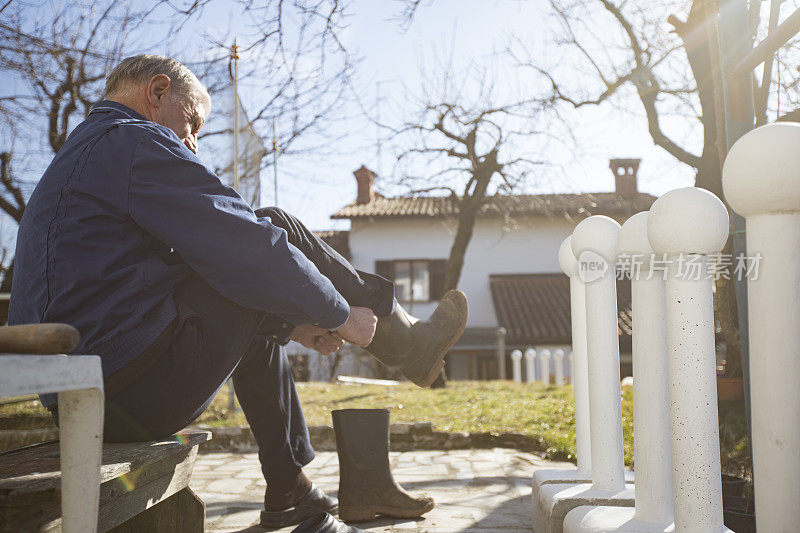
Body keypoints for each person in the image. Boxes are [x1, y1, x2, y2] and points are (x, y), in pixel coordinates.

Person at [9, 55, 468, 530]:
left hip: (92, 395)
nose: (191, 142)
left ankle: (290, 489)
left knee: (256, 273)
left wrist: (291, 322)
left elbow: (167, 285)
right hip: (121, 394)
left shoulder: (84, 154)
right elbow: (246, 245)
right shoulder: (131, 141)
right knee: (273, 226)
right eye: (192, 124)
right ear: (157, 91)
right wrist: (339, 315)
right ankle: (406, 342)